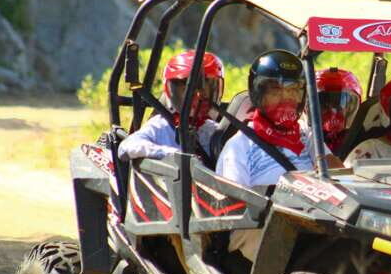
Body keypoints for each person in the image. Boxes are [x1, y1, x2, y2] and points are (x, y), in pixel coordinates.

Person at [216, 49, 342, 188]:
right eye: (276, 90)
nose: (287, 98)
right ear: (259, 95)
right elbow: (233, 203)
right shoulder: (239, 146)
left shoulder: (307, 136)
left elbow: (341, 178)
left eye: (294, 89)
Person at [118, 50, 224, 160]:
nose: (197, 98)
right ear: (172, 92)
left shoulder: (215, 131)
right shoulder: (160, 126)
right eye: (187, 92)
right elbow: (126, 147)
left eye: (204, 92)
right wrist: (172, 155)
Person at [315, 67, 363, 153]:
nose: (333, 112)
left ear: (353, 107)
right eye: (325, 106)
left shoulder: (359, 138)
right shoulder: (307, 138)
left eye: (339, 106)